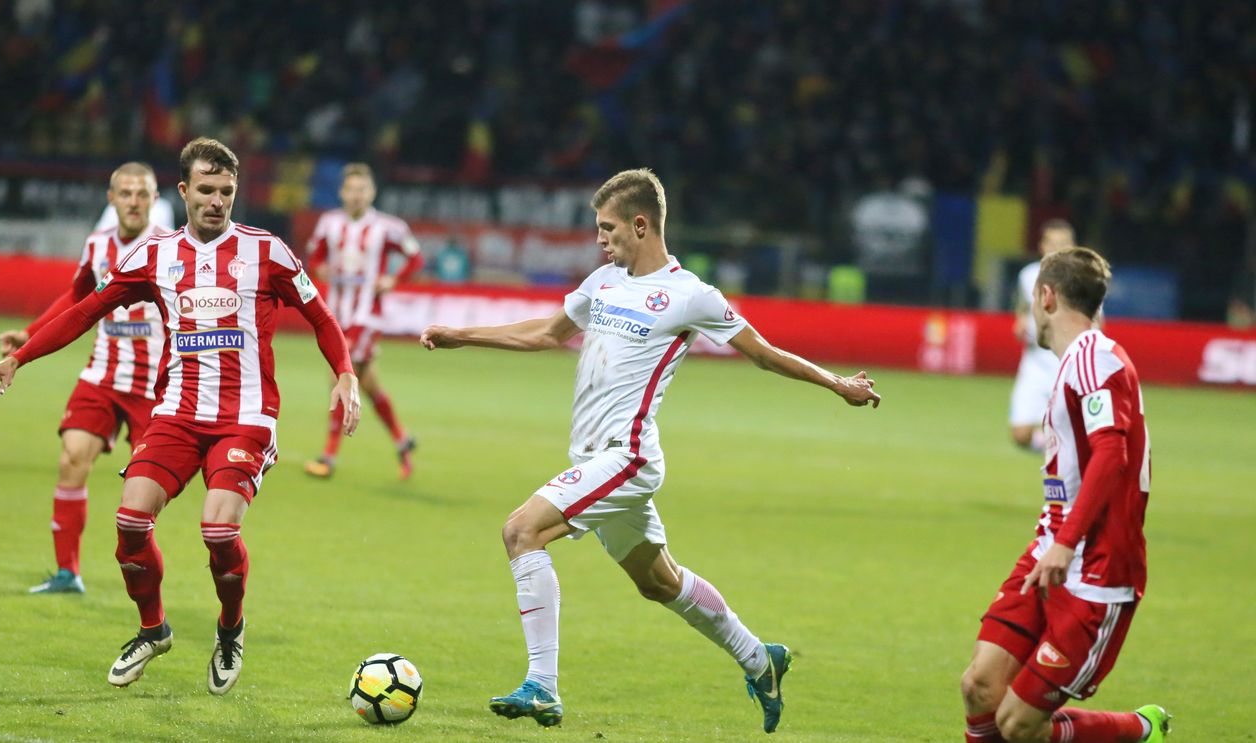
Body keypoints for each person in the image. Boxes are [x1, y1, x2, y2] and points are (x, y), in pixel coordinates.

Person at [419, 169, 881, 733]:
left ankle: (542, 685)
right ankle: (762, 659)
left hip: (627, 456)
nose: (600, 239)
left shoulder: (690, 296)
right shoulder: (603, 282)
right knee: (658, 582)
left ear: (641, 225)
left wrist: (838, 384)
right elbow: (545, 333)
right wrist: (462, 336)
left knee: (521, 531)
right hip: (592, 461)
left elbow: (762, 353)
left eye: (607, 228)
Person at [0, 137, 361, 695]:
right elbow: (86, 311)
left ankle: (230, 629)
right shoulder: (152, 256)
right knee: (130, 523)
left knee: (219, 529)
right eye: (206, 190)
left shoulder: (266, 251)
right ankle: (152, 630)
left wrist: (344, 371)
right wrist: (19, 357)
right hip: (176, 413)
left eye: (226, 192)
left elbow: (321, 316)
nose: (216, 201)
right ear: (182, 192)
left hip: (246, 415)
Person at [959, 247, 1170, 743]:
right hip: (1050, 549)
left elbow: (1111, 453)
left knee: (1017, 724)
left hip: (1096, 569)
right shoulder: (1075, 362)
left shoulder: (1095, 358)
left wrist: (1066, 542)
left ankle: (1140, 730)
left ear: (1046, 297)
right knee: (979, 688)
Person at [0, 162, 167, 595]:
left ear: (155, 199)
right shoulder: (97, 245)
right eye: (125, 193)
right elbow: (78, 298)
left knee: (144, 496)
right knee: (72, 458)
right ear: (111, 199)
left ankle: (142, 576)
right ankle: (67, 572)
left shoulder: (171, 248)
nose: (133, 202)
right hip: (103, 375)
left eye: (142, 194)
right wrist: (30, 333)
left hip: (158, 384)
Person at [303, 162, 423, 480]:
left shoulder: (388, 226)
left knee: (339, 375)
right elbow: (314, 257)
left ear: (372, 192)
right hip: (337, 313)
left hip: (367, 315)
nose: (356, 195)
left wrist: (393, 280)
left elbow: (416, 256)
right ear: (342, 192)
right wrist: (320, 269)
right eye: (351, 189)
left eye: (362, 190)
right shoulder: (328, 223)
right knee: (368, 385)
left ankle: (328, 456)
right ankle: (402, 441)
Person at [1009, 219, 1076, 453]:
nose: (1057, 249)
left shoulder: (1083, 280)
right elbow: (1021, 313)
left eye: (1063, 243)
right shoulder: (1028, 276)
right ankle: (1059, 453)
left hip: (1067, 365)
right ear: (1042, 245)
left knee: (1071, 428)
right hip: (1035, 363)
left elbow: (1098, 324)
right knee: (1020, 434)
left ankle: (1068, 460)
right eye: (1053, 243)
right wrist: (1021, 328)